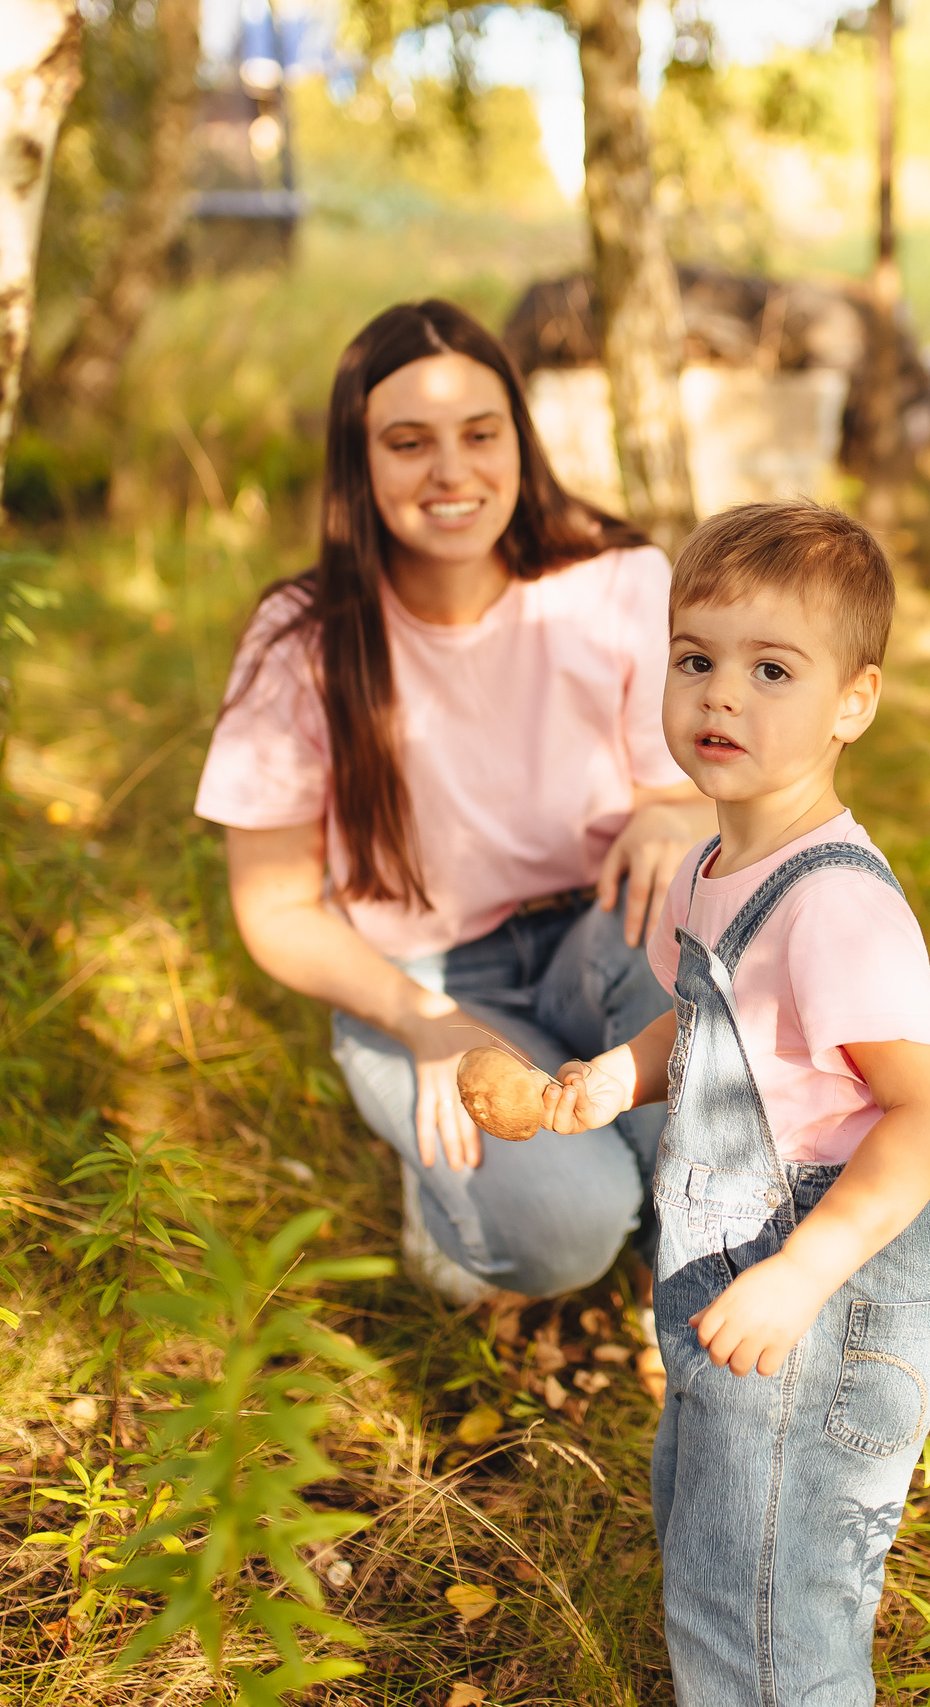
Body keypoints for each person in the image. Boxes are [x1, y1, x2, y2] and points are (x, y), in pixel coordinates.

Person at [194, 299, 715, 1306]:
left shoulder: (616, 581)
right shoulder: (301, 642)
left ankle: (681, 1245)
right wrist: (425, 1024)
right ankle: (464, 1205)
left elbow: (691, 801)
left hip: (599, 939)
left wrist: (668, 811)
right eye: (408, 442)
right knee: (564, 1232)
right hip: (423, 978)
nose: (453, 472)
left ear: (517, 440)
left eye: (481, 435)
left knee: (698, 926)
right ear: (360, 462)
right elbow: (274, 910)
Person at [537, 501, 930, 1704]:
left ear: (853, 703)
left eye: (771, 669)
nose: (721, 697)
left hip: (832, 1285)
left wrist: (800, 1272)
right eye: (697, 660)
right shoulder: (714, 863)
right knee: (716, 1535)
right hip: (741, 1263)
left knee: (769, 1596)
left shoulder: (836, 903)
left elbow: (928, 1114)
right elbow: (712, 1019)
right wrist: (619, 1076)